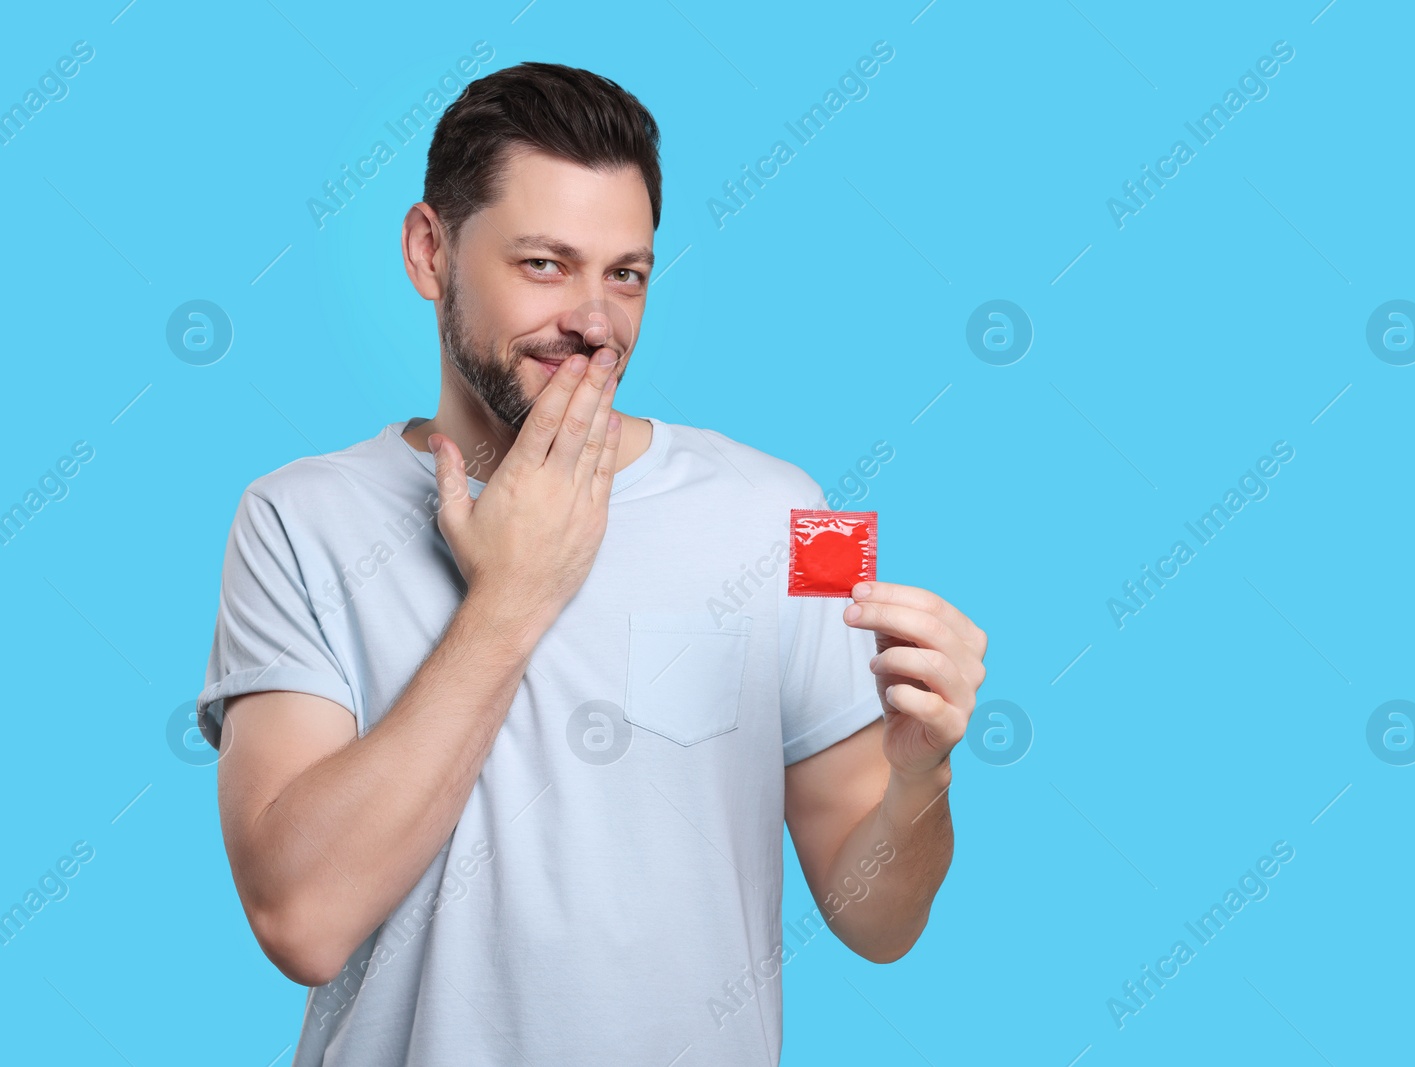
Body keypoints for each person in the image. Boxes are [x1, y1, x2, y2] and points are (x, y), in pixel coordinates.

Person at [197, 60, 987, 1066]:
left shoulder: (797, 513)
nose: (595, 321)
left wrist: (922, 780)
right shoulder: (292, 519)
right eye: (544, 264)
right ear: (428, 249)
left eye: (626, 272)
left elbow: (880, 922)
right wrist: (511, 596)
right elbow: (299, 919)